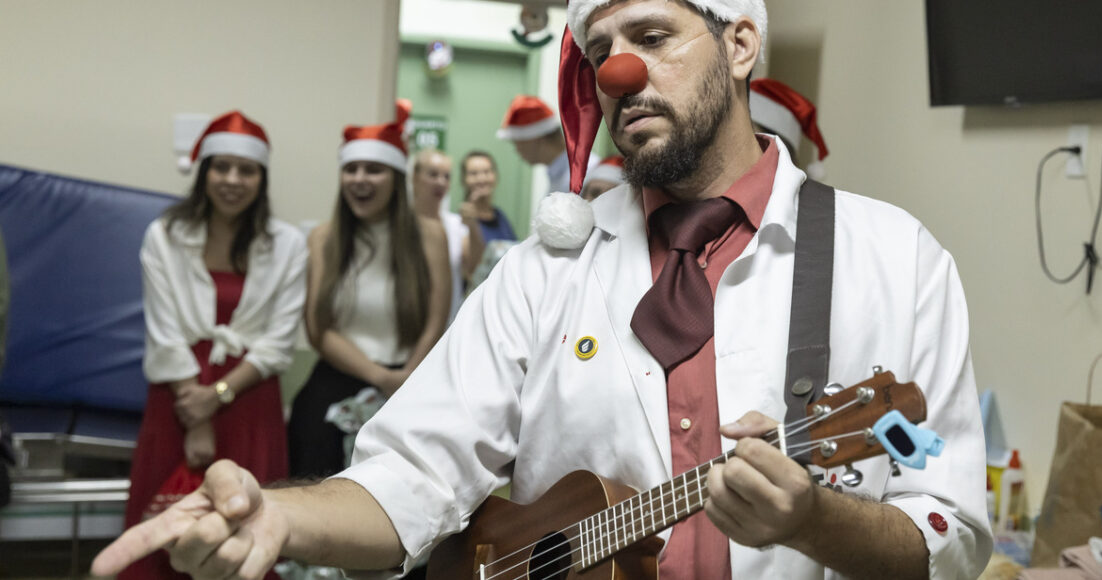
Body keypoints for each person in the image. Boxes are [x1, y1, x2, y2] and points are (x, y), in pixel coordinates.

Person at [93, 1, 993, 578]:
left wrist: (816, 521)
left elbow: (948, 528)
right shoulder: (540, 274)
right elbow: (412, 475)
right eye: (598, 49)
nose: (616, 75)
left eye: (650, 38)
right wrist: (280, 517)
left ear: (742, 41)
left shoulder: (894, 258)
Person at [121, 110, 306, 579]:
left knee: (244, 532)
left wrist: (216, 397)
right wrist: (196, 411)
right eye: (221, 167)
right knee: (165, 528)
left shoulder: (286, 244)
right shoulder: (165, 235)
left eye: (246, 170)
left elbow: (277, 343)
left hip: (249, 397)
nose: (232, 179)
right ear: (203, 172)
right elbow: (164, 331)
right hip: (177, 395)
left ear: (262, 179)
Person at [287, 109, 451, 479]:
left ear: (395, 178)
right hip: (333, 388)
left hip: (410, 384)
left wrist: (404, 378)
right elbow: (318, 330)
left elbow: (437, 319)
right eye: (351, 169)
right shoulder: (322, 238)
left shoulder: (430, 235)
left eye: (373, 170)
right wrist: (380, 376)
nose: (359, 179)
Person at [411, 149, 482, 323]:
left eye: (446, 176)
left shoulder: (456, 225)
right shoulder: (400, 224)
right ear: (415, 178)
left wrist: (472, 226)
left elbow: (473, 267)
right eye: (433, 175)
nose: (441, 182)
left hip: (447, 325)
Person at [496, 95, 600, 194]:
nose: (517, 150)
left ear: (535, 138)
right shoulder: (563, 172)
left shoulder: (586, 172)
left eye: (518, 143)